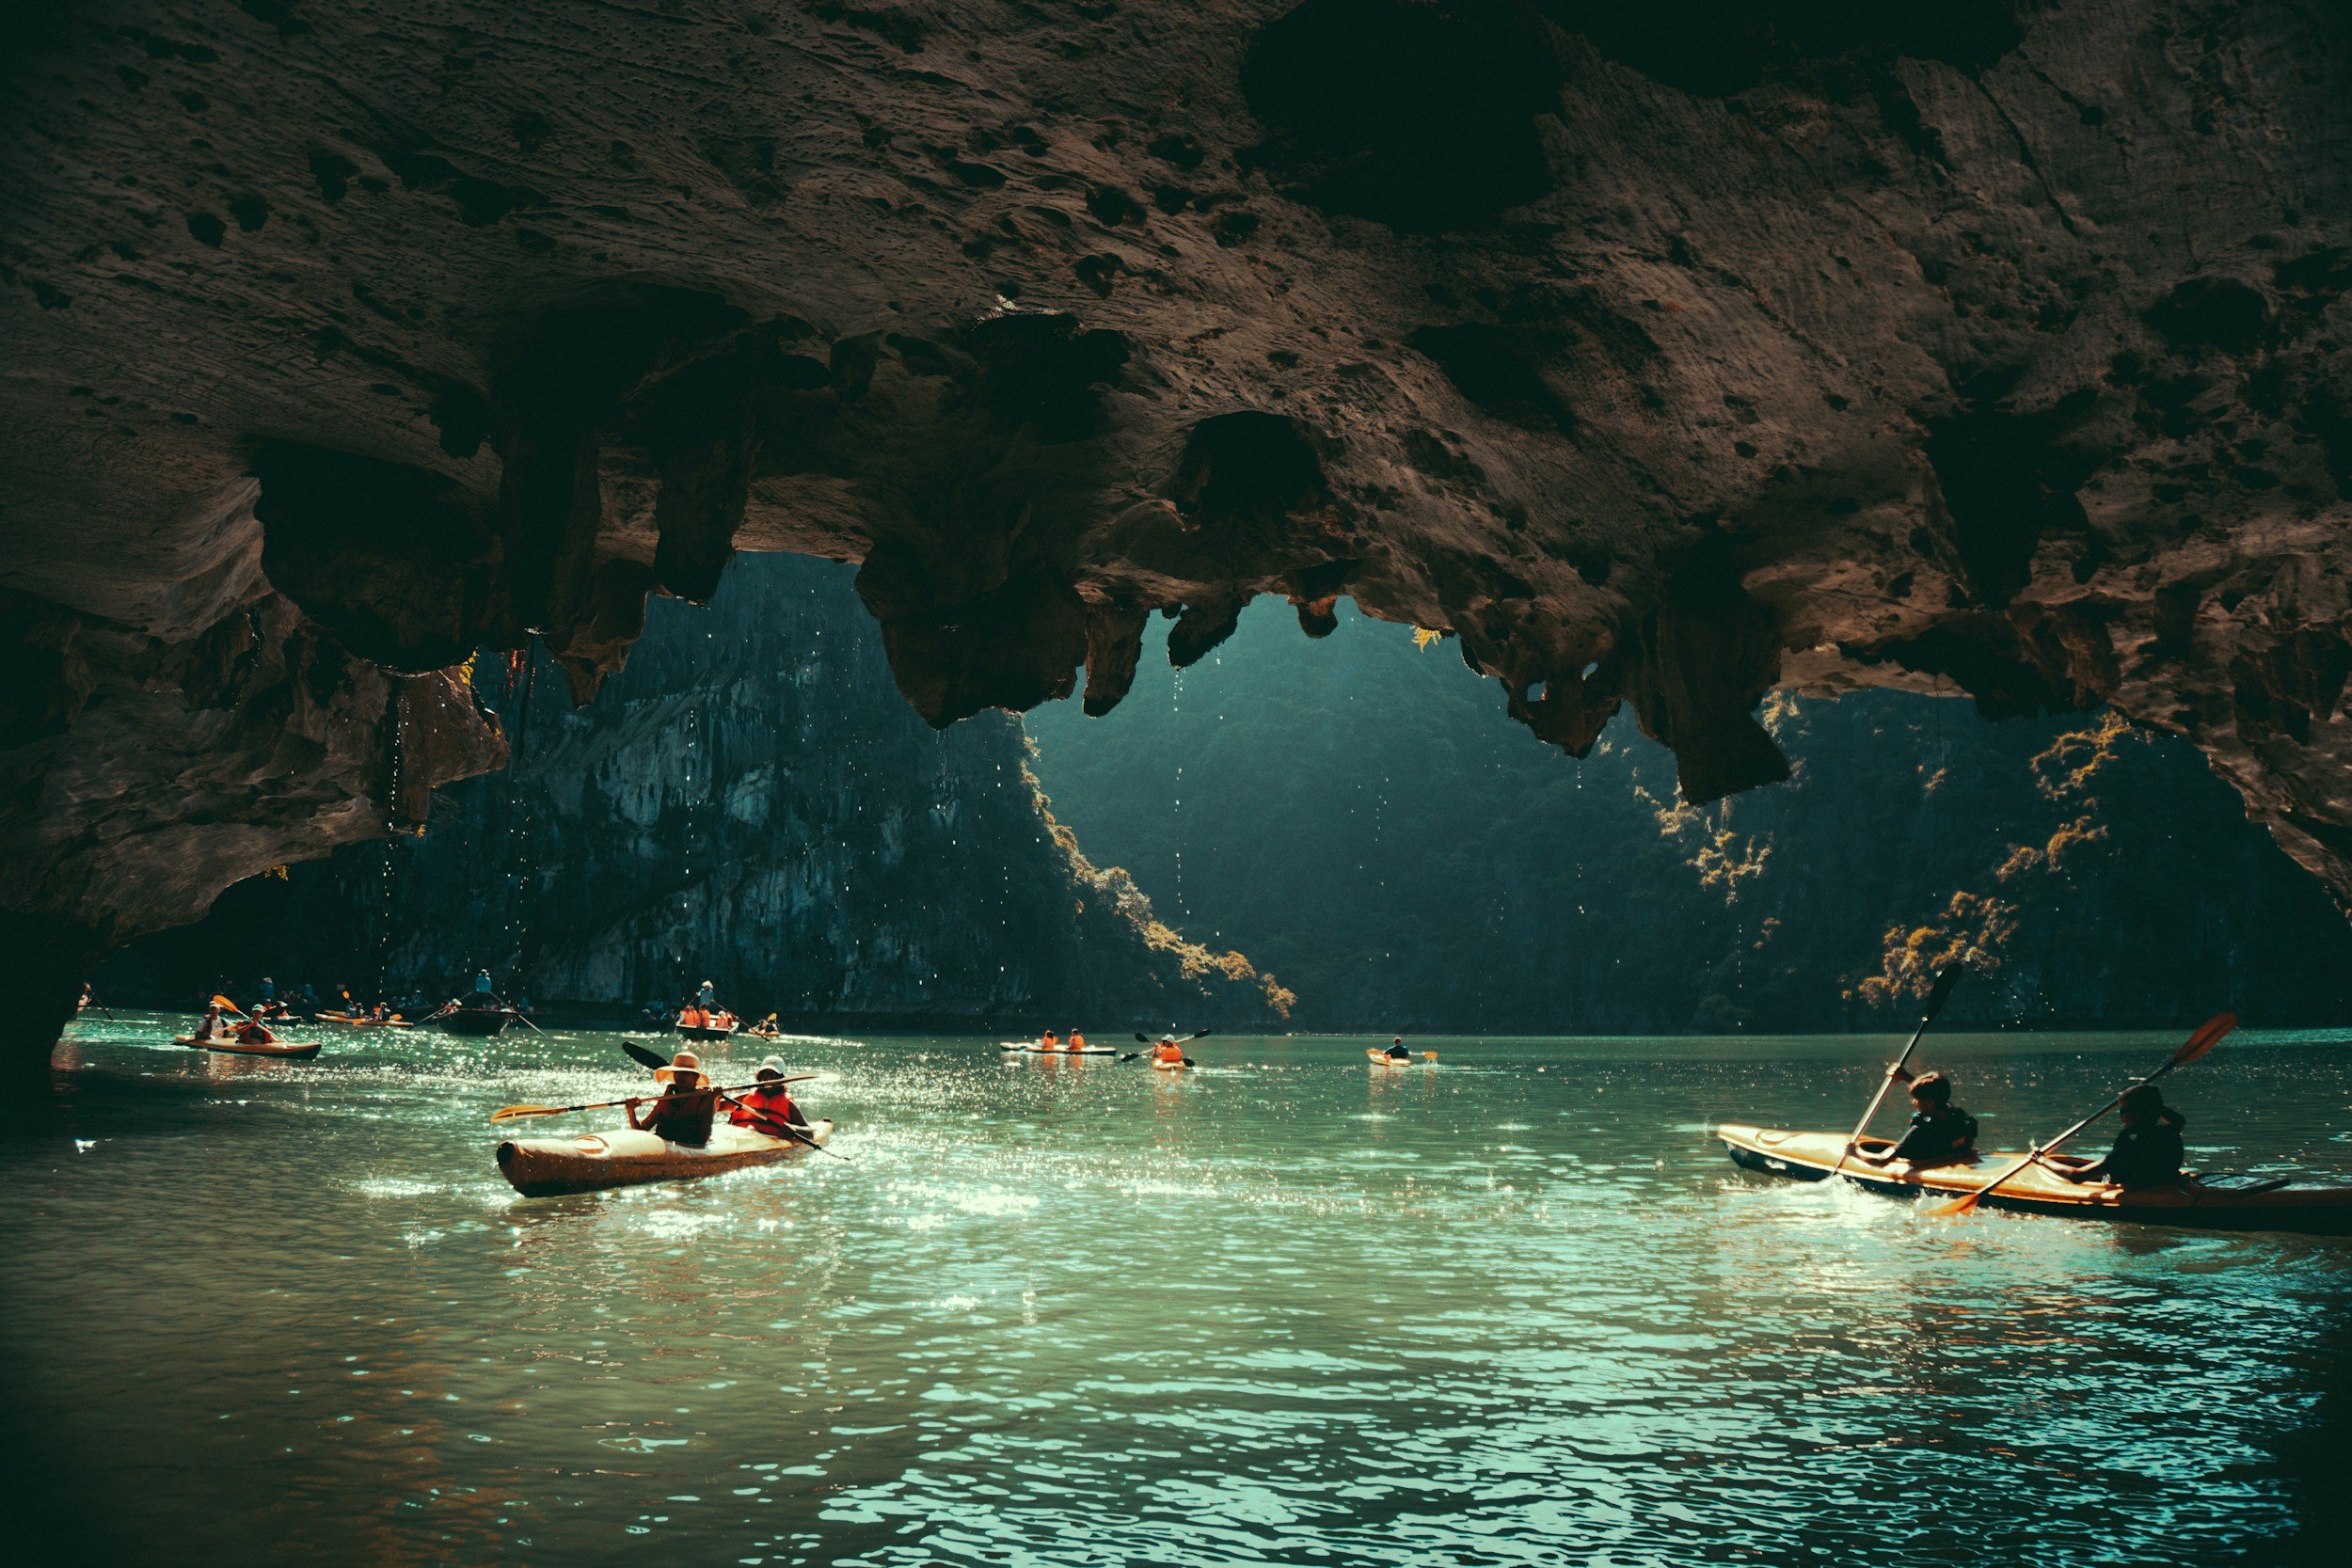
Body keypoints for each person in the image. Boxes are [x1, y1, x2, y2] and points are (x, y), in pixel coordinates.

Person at [2050, 1085, 2187, 1189]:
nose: (2121, 1115)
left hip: (2139, 1192)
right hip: (2166, 1183)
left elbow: (2078, 1177)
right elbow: (2179, 1119)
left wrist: (2040, 1160)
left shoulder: (2131, 1145)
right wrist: (2150, 1102)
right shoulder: (2169, 1132)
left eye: (2123, 1110)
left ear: (2134, 1113)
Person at [1853, 1070, 1978, 1168]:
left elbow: (1881, 1160)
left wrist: (1854, 1152)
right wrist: (1905, 1076)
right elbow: (1935, 1092)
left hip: (1923, 1163)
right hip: (1952, 1157)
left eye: (1917, 1099)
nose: (1914, 1102)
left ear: (1929, 1102)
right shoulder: (1959, 1117)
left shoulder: (1919, 1132)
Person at [627, 1051, 717, 1147]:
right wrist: (631, 1111)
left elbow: (703, 1139)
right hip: (664, 1149)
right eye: (676, 1073)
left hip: (688, 1149)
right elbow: (641, 1131)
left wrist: (711, 1100)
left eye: (684, 1073)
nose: (679, 1077)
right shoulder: (667, 1098)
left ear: (696, 1077)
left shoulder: (705, 1099)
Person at [727, 1055, 809, 1139]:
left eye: (773, 1074)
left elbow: (810, 1132)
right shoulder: (745, 1098)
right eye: (764, 1074)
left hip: (768, 1140)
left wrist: (796, 1129)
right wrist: (714, 1096)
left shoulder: (789, 1105)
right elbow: (719, 1106)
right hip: (740, 1137)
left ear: (782, 1079)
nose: (768, 1078)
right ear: (759, 1077)